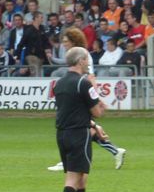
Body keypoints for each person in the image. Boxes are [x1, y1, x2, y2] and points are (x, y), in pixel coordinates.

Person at [48, 28, 127, 172]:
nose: (64, 44)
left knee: (81, 127)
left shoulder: (83, 56)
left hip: (81, 94)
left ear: (73, 41)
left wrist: (95, 97)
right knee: (88, 129)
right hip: (80, 94)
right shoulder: (75, 56)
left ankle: (68, 159)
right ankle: (115, 151)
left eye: (66, 41)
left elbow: (91, 77)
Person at [52, 46, 108, 192]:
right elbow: (98, 111)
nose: (88, 63)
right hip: (79, 135)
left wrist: (92, 123)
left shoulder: (59, 83)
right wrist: (95, 90)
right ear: (80, 61)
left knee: (80, 181)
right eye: (86, 60)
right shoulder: (84, 84)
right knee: (73, 180)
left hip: (62, 135)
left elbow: (69, 111)